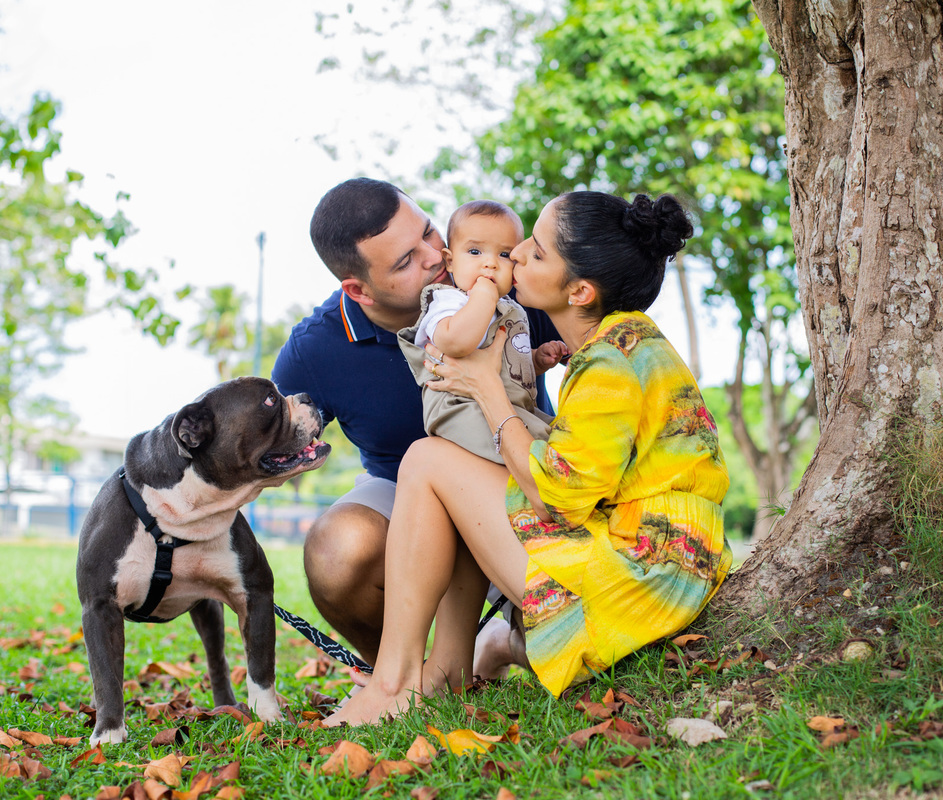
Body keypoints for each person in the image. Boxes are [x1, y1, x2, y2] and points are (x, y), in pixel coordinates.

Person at [324, 190, 734, 727]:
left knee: (426, 458)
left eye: (534, 252)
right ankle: (445, 671)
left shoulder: (610, 362)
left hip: (639, 583)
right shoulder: (623, 342)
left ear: (581, 291)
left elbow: (554, 498)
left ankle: (395, 684)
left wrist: (488, 391)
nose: (513, 257)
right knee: (452, 472)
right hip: (658, 562)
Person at [271, 178, 559, 666]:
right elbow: (263, 450)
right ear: (357, 289)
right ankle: (392, 669)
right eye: (405, 261)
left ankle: (500, 638)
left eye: (428, 231)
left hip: (516, 477)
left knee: (559, 646)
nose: (433, 256)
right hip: (403, 491)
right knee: (336, 549)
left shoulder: (503, 279)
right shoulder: (315, 350)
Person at [396, 200, 566, 464]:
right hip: (463, 410)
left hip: (512, 410)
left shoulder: (509, 308)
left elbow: (510, 365)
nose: (490, 264)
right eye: (475, 251)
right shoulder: (447, 301)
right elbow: (455, 343)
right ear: (450, 262)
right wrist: (484, 296)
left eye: (504, 255)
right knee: (546, 454)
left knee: (561, 434)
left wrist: (535, 360)